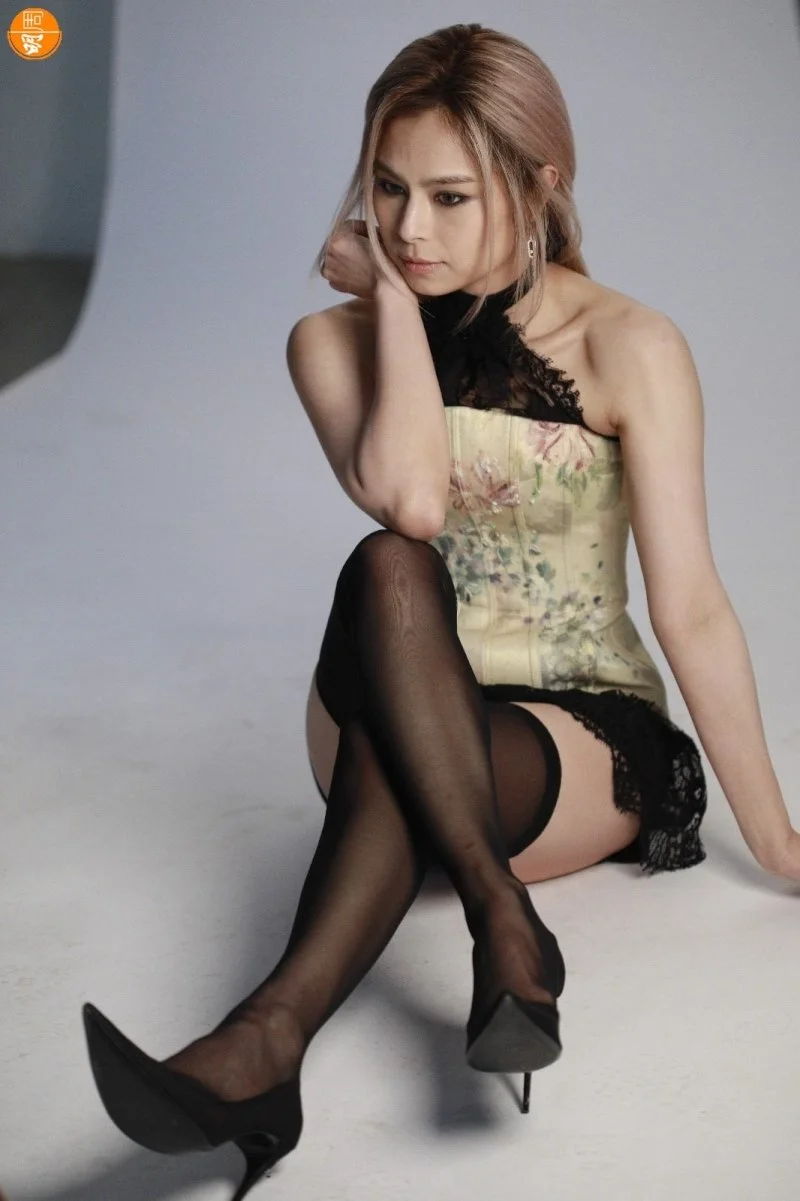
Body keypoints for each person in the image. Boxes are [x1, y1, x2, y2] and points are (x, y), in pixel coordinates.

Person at [81, 21, 799, 1201]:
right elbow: (411, 503)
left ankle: (262, 1045)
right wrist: (391, 309)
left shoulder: (630, 345)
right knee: (386, 564)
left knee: (401, 690)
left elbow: (691, 607)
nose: (410, 229)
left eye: (451, 197)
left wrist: (775, 841)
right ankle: (502, 919)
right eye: (387, 189)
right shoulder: (328, 342)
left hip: (568, 730)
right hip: (386, 685)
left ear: (540, 185)